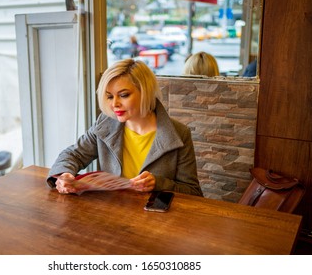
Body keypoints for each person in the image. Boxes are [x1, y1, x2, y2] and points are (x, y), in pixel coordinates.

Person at [47, 58, 203, 196]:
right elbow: (74, 154)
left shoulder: (179, 133)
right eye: (109, 96)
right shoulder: (105, 123)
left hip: (155, 220)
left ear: (145, 92)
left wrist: (158, 184)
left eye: (123, 95)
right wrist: (64, 174)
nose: (114, 104)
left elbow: (192, 191)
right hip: (113, 213)